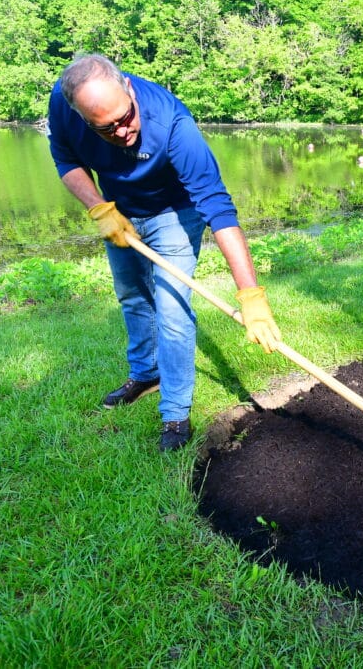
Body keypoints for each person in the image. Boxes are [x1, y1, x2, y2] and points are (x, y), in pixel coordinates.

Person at [47, 54, 281, 452]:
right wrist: (99, 207)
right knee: (134, 297)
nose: (123, 132)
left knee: (172, 307)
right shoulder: (64, 103)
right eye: (107, 128)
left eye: (126, 117)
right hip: (120, 212)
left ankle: (175, 411)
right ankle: (146, 373)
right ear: (83, 117)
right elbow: (65, 158)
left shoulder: (173, 123)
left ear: (129, 89)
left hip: (176, 212)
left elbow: (217, 207)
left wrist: (251, 295)